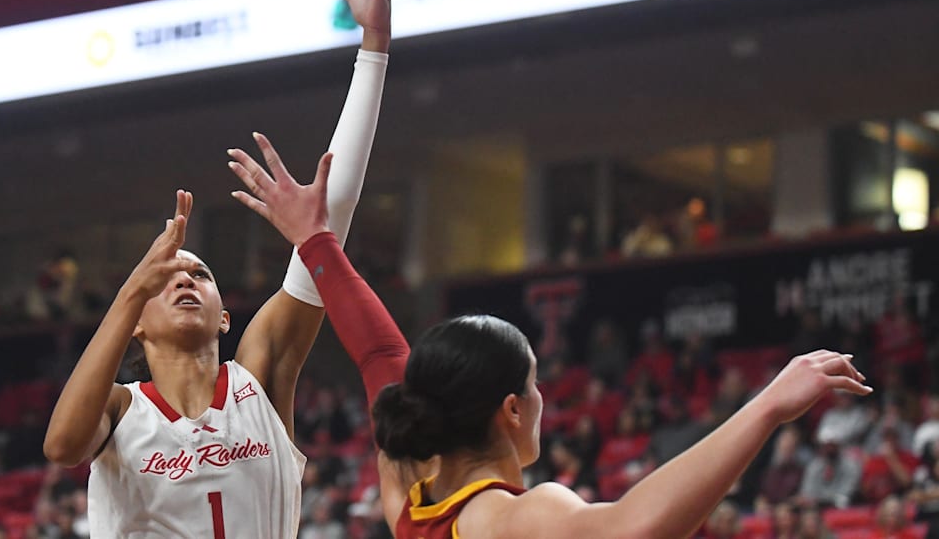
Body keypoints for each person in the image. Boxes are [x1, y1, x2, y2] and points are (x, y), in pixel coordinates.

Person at [227, 132, 872, 538]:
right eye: (534, 385)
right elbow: (632, 529)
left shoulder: (410, 498)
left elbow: (379, 355)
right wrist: (767, 408)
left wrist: (316, 242)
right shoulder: (514, 516)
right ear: (511, 409)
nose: (542, 400)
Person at [43, 0, 398, 538]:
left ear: (225, 314)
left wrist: (374, 47)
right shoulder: (123, 408)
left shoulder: (257, 378)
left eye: (200, 274)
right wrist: (130, 289)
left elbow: (326, 226)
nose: (184, 283)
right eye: (163, 281)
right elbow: (63, 446)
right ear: (136, 324)